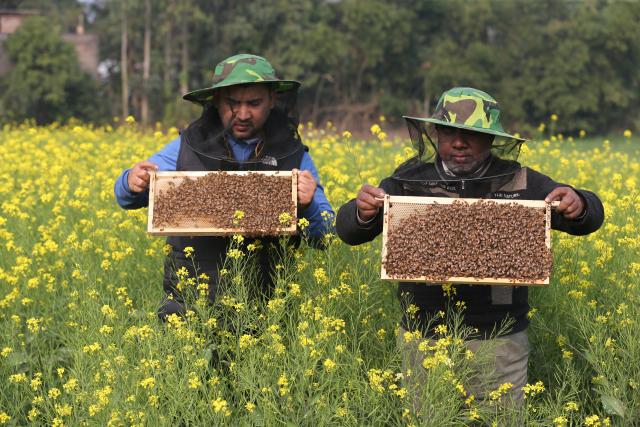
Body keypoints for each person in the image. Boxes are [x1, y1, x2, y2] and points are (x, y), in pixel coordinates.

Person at [335, 87, 604, 406]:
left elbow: (589, 214)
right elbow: (349, 230)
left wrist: (579, 203)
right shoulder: (407, 181)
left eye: (471, 134)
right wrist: (361, 211)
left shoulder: (522, 183)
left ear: (491, 138)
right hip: (424, 338)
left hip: (499, 341)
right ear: (435, 132)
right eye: (449, 131)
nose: (459, 142)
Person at [114, 54, 334, 319]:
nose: (242, 114)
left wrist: (308, 205)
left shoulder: (294, 155)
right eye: (233, 103)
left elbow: (326, 235)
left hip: (266, 310)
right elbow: (128, 196)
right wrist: (131, 181)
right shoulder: (187, 146)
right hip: (191, 306)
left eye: (254, 103)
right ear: (217, 101)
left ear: (273, 100)